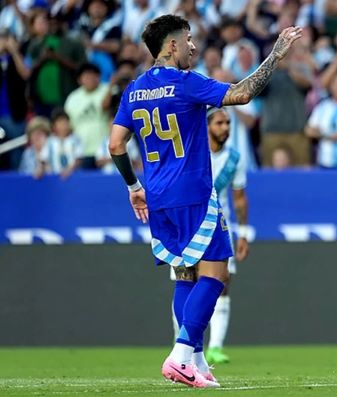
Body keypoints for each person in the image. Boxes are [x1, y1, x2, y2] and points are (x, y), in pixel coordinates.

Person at [108, 14, 300, 388]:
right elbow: (241, 94)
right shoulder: (185, 83)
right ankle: (180, 356)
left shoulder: (134, 90)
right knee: (216, 274)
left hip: (159, 196)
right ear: (173, 45)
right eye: (190, 39)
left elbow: (115, 144)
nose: (194, 46)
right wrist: (275, 55)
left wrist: (134, 187)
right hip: (194, 193)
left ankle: (196, 360)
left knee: (185, 274)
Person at [170, 107, 250, 365]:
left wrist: (244, 233)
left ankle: (214, 347)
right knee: (187, 282)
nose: (225, 127)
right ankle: (184, 344)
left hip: (218, 226)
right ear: (206, 126)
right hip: (189, 225)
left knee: (221, 285)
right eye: (219, 123)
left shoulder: (235, 159)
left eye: (228, 123)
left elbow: (239, 198)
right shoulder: (191, 153)